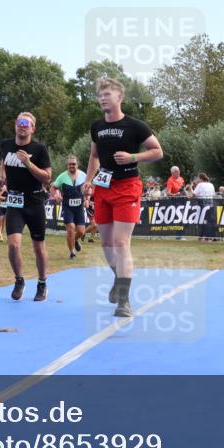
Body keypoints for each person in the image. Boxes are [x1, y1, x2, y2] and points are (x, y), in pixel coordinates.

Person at [84, 78, 164, 318]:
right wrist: (88, 181)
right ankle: (118, 278)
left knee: (121, 243)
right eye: (100, 95)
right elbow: (94, 156)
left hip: (127, 187)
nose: (102, 98)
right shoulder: (96, 127)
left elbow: (158, 151)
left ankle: (124, 301)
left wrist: (132, 157)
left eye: (107, 94)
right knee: (106, 243)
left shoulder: (135, 125)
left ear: (119, 97)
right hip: (103, 188)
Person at [0, 112, 52, 301]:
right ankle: (19, 280)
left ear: (32, 129)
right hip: (14, 202)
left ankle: (42, 283)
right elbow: (3, 163)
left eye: (26, 124)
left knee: (39, 247)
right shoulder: (6, 145)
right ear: (15, 125)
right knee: (13, 245)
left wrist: (29, 163)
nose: (22, 126)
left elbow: (47, 177)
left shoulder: (39, 149)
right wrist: (2, 178)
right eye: (20, 122)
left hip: (35, 202)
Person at [52, 155, 88, 260]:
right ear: (67, 165)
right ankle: (72, 253)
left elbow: (87, 189)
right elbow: (53, 188)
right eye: (70, 164)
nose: (72, 166)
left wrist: (86, 199)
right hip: (67, 207)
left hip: (79, 207)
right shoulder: (62, 176)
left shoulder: (83, 175)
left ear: (78, 164)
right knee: (71, 228)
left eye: (74, 164)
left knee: (81, 231)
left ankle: (75, 240)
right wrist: (56, 195)